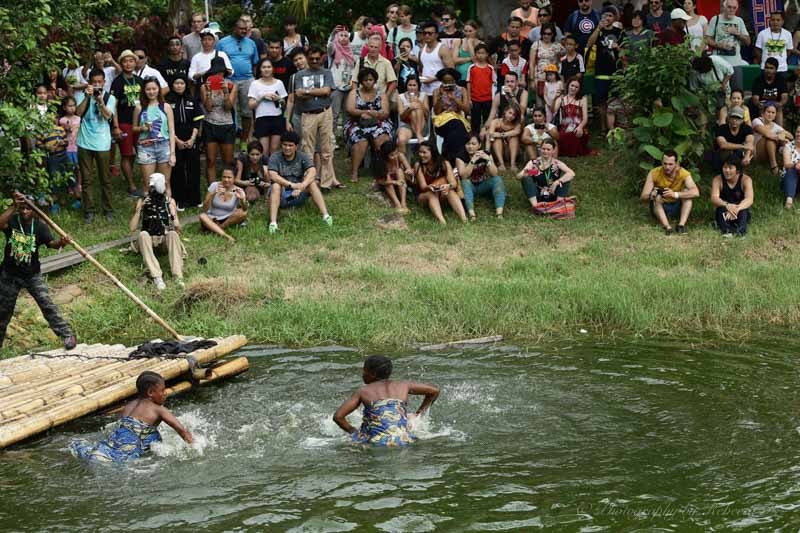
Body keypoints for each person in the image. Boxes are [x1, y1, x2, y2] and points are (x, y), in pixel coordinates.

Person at [0, 193, 76, 350]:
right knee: (2, 312)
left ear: (34, 210)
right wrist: (14, 205)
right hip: (10, 275)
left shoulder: (40, 227)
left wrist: (62, 242)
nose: (24, 211)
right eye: (22, 208)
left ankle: (67, 334)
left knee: (47, 303)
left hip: (32, 275)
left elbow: (52, 244)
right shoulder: (13, 221)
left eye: (28, 208)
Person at [70, 371, 193, 463]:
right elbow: (181, 430)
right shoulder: (159, 410)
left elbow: (122, 429)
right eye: (162, 390)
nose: (165, 393)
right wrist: (195, 447)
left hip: (111, 444)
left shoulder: (129, 406)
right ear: (150, 392)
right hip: (128, 449)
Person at [333, 355, 439, 447]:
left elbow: (338, 417)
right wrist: (418, 414)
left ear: (372, 374)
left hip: (375, 442)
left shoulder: (363, 391)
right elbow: (434, 391)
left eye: (364, 370)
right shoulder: (404, 385)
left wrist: (354, 432)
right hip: (404, 440)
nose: (362, 373)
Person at [267, 131, 333, 233]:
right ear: (281, 145)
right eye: (285, 145)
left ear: (296, 146)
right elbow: (273, 175)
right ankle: (273, 223)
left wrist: (302, 186)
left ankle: (326, 215)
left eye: (290, 145)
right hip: (282, 195)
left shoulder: (302, 156)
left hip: (298, 193)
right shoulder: (275, 157)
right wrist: (292, 185)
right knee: (275, 185)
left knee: (312, 183)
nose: (287, 148)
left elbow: (312, 171)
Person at [293, 46, 338, 190]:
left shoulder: (326, 72)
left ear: (322, 58)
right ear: (307, 58)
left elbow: (327, 91)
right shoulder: (300, 75)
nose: (314, 61)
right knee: (307, 149)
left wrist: (308, 92)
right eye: (311, 59)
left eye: (317, 59)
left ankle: (326, 183)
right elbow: (298, 94)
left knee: (327, 148)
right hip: (307, 114)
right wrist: (318, 92)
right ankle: (309, 181)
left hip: (325, 112)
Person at [129, 173, 184, 290]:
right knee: (143, 234)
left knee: (173, 234)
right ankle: (157, 276)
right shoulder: (143, 201)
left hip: (164, 240)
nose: (152, 190)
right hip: (148, 241)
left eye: (154, 187)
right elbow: (132, 228)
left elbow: (178, 228)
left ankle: (178, 276)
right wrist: (139, 210)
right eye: (151, 187)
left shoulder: (169, 201)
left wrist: (173, 214)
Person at [76, 69, 117, 223]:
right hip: (84, 142)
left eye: (100, 82)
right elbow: (78, 113)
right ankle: (89, 210)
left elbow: (108, 116)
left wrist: (100, 102)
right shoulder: (83, 95)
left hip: (102, 143)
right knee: (86, 179)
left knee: (105, 178)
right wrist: (87, 96)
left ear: (104, 82)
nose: (98, 85)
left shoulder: (110, 98)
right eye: (95, 82)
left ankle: (108, 210)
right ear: (90, 83)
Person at [217, 18, 261, 150]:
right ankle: (232, 137)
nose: (244, 31)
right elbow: (218, 62)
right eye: (241, 28)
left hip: (247, 79)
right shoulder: (222, 43)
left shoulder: (251, 43)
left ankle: (244, 140)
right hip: (229, 80)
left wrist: (253, 79)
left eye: (246, 29)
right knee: (230, 110)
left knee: (247, 112)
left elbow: (255, 63)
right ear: (235, 28)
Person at [344, 68, 393, 183]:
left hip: (378, 122)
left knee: (382, 137)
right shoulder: (354, 93)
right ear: (361, 81)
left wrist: (373, 115)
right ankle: (355, 172)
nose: (368, 82)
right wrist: (364, 113)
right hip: (356, 122)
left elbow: (385, 112)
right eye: (365, 80)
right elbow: (350, 109)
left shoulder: (381, 94)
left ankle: (382, 169)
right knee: (361, 140)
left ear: (375, 80)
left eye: (371, 80)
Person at [133, 78, 177, 196]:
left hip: (164, 146)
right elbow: (134, 128)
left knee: (166, 182)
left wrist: (172, 153)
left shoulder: (166, 107)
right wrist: (143, 128)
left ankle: (168, 212)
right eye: (148, 89)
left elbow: (172, 131)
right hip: (145, 147)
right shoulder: (139, 107)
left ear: (159, 89)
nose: (151, 92)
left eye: (154, 89)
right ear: (144, 91)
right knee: (148, 184)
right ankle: (149, 212)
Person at [640, 150, 700, 235]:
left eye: (670, 164)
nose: (667, 167)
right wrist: (651, 195)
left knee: (687, 193)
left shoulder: (683, 173)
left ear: (676, 163)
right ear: (661, 162)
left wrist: (675, 194)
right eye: (665, 164)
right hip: (660, 206)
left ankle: (681, 226)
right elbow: (643, 197)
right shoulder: (654, 173)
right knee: (658, 197)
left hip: (677, 205)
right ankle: (667, 227)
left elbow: (696, 192)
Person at [110, 50, 145, 198]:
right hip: (124, 122)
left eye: (131, 61)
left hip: (140, 122)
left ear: (135, 62)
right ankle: (131, 186)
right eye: (125, 61)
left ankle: (145, 182)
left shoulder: (140, 80)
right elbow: (113, 106)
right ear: (121, 63)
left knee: (142, 152)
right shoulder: (117, 82)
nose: (128, 64)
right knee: (126, 153)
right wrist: (116, 126)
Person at [167, 74, 203, 210]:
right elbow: (167, 124)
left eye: (182, 83)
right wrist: (176, 140)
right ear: (172, 85)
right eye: (176, 83)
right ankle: (180, 200)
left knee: (193, 169)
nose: (179, 86)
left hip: (191, 138)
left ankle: (195, 199)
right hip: (175, 139)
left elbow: (197, 121)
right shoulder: (167, 101)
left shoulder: (192, 100)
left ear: (185, 85)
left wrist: (192, 139)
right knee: (178, 170)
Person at [201, 57, 237, 185]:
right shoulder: (205, 87)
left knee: (228, 161)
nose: (218, 75)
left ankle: (228, 186)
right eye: (215, 73)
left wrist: (226, 92)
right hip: (210, 124)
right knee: (210, 160)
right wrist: (209, 92)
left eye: (220, 72)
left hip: (227, 125)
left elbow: (228, 107)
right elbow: (208, 108)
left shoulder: (232, 86)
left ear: (224, 73)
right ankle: (212, 188)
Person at [413, 141, 467, 224]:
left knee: (450, 191)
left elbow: (453, 183)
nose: (421, 155)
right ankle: (442, 221)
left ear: (433, 153)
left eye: (424, 152)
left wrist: (448, 186)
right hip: (424, 196)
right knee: (431, 194)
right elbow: (423, 186)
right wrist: (430, 187)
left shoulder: (444, 163)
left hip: (441, 194)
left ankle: (464, 220)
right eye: (420, 152)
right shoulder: (418, 165)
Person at [587, 8, 622, 133]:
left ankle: (615, 127)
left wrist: (617, 48)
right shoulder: (598, 30)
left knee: (616, 101)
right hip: (601, 71)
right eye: (605, 15)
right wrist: (598, 28)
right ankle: (603, 128)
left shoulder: (619, 32)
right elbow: (589, 44)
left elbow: (625, 52)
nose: (607, 18)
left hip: (616, 72)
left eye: (610, 15)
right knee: (601, 101)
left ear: (615, 18)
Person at [456, 134, 506, 220]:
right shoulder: (460, 157)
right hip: (468, 187)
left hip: (483, 185)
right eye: (468, 144)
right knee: (465, 182)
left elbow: (494, 173)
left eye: (473, 144)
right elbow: (463, 176)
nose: (470, 146)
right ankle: (472, 215)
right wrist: (472, 161)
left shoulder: (485, 154)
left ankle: (499, 214)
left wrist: (488, 160)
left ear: (479, 145)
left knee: (497, 179)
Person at [516, 139, 574, 211]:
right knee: (526, 178)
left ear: (553, 151)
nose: (545, 151)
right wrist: (524, 173)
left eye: (548, 149)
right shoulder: (534, 162)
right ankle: (536, 207)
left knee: (566, 179)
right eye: (543, 149)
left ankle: (558, 204)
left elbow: (571, 173)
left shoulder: (557, 163)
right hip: (538, 195)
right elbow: (518, 176)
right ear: (540, 149)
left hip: (553, 192)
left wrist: (556, 183)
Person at [704, 0, 750, 92]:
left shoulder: (739, 21)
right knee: (720, 92)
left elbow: (748, 42)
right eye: (729, 7)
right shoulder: (715, 19)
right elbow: (707, 39)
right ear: (724, 7)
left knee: (737, 92)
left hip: (735, 63)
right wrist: (719, 45)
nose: (731, 10)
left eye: (734, 8)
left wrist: (736, 33)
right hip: (718, 63)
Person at [248, 58, 287, 156]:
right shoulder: (255, 84)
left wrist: (278, 99)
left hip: (277, 118)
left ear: (272, 68)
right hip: (262, 118)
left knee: (275, 150)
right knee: (263, 151)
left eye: (269, 67)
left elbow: (284, 105)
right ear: (260, 69)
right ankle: (264, 170)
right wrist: (261, 97)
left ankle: (274, 170)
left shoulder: (279, 83)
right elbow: (250, 105)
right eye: (264, 67)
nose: (266, 69)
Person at [199, 165, 248, 243]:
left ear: (234, 178)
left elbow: (245, 209)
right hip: (212, 217)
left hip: (227, 218)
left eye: (229, 177)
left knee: (243, 213)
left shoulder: (238, 190)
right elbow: (204, 209)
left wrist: (242, 200)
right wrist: (213, 193)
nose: (226, 180)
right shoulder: (214, 185)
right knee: (202, 216)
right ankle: (226, 236)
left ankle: (217, 228)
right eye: (224, 177)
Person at [431, 68, 471, 164]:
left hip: (457, 119)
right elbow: (436, 112)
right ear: (441, 81)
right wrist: (441, 96)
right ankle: (460, 160)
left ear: (455, 80)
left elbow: (467, 110)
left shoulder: (462, 90)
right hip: (441, 122)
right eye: (445, 81)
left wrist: (455, 99)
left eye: (451, 81)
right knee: (457, 128)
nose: (448, 84)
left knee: (456, 130)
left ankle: (450, 160)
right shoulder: (436, 91)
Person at [710, 156, 753, 237]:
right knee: (720, 209)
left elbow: (749, 199)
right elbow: (714, 198)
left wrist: (736, 208)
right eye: (725, 167)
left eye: (730, 168)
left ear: (737, 170)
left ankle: (741, 232)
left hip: (740, 208)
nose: (727, 170)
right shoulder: (717, 179)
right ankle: (726, 231)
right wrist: (727, 205)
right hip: (724, 209)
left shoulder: (746, 180)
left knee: (744, 210)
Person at [329, 27, 356, 143]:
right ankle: (332, 139)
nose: (344, 38)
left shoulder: (350, 51)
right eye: (341, 35)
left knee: (347, 114)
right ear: (337, 37)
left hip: (348, 87)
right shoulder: (334, 50)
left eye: (346, 36)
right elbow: (329, 46)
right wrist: (332, 34)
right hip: (336, 87)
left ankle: (346, 138)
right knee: (334, 114)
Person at [752, 102, 792, 175]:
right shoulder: (757, 121)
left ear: (775, 115)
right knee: (770, 138)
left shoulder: (775, 126)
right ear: (763, 113)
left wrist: (782, 133)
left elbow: (791, 136)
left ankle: (785, 163)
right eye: (768, 112)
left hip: (769, 153)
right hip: (757, 153)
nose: (770, 114)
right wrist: (779, 137)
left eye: (773, 112)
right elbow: (767, 134)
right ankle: (774, 166)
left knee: (782, 140)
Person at [530, 23, 564, 107]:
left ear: (553, 34)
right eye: (544, 33)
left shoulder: (557, 46)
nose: (546, 36)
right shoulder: (536, 44)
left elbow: (565, 58)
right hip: (540, 78)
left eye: (549, 34)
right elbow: (531, 63)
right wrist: (532, 79)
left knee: (553, 105)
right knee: (540, 105)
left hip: (553, 80)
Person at [553, 77, 590, 157]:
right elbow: (553, 110)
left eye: (576, 87)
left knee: (574, 134)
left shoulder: (583, 99)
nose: (573, 88)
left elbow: (585, 118)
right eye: (572, 85)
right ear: (568, 85)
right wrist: (555, 98)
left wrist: (580, 127)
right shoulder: (561, 99)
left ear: (579, 89)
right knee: (562, 135)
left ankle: (571, 151)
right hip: (564, 127)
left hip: (578, 126)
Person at [372, 141, 412, 212]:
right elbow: (380, 181)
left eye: (396, 153)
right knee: (387, 177)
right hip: (386, 182)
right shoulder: (380, 162)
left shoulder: (400, 156)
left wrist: (408, 172)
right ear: (385, 156)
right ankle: (397, 204)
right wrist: (395, 182)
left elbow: (409, 169)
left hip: (400, 181)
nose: (395, 156)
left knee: (399, 171)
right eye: (392, 155)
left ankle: (403, 203)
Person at [713, 105, 754, 172]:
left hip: (738, 153)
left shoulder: (747, 129)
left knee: (746, 152)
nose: (735, 120)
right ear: (728, 118)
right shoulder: (721, 129)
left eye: (738, 118)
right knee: (726, 151)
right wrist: (742, 146)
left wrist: (747, 156)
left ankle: (739, 167)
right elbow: (723, 145)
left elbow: (749, 143)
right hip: (723, 155)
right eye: (733, 117)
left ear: (742, 120)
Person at [467, 44, 496, 135]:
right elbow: (468, 83)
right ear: (475, 54)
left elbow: (494, 84)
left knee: (488, 120)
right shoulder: (472, 68)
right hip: (475, 99)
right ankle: (475, 139)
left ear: (487, 54)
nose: (481, 55)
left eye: (483, 53)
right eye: (478, 53)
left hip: (488, 99)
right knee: (475, 121)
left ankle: (486, 138)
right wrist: (469, 98)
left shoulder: (490, 68)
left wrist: (493, 99)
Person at [418, 21, 454, 96]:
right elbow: (421, 69)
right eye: (425, 33)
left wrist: (433, 79)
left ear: (436, 35)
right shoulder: (421, 50)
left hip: (440, 90)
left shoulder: (442, 49)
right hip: (424, 91)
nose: (427, 35)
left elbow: (451, 70)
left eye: (430, 33)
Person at [750, 58, 789, 126]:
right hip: (763, 104)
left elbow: (784, 98)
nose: (768, 70)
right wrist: (760, 104)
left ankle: (780, 131)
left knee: (779, 108)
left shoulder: (781, 80)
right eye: (767, 67)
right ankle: (764, 130)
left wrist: (779, 104)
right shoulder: (758, 80)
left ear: (775, 70)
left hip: (776, 104)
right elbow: (755, 99)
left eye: (771, 68)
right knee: (762, 107)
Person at [396, 76, 429, 152]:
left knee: (417, 107)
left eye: (414, 85)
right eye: (410, 85)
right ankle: (403, 163)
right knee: (401, 139)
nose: (412, 88)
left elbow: (427, 115)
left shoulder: (424, 96)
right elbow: (401, 117)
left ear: (418, 86)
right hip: (406, 125)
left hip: (421, 124)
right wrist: (409, 108)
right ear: (406, 86)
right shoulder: (400, 97)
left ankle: (418, 133)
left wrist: (419, 102)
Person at [486, 106, 522, 172]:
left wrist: (500, 134)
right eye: (510, 113)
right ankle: (501, 164)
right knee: (496, 139)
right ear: (505, 111)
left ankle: (513, 164)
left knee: (514, 138)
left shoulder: (517, 124)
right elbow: (490, 135)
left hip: (510, 152)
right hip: (498, 152)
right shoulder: (496, 122)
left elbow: (517, 132)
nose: (511, 116)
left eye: (514, 115)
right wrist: (487, 152)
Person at [781, 124, 800, 208]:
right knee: (792, 170)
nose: (799, 134)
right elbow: (786, 164)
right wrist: (796, 164)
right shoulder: (788, 146)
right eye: (798, 132)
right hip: (788, 179)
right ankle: (789, 200)